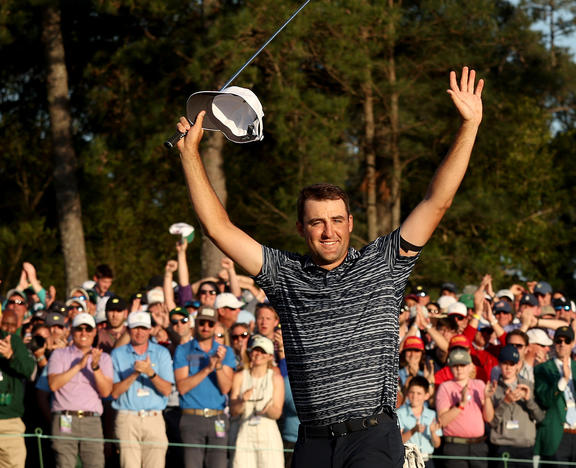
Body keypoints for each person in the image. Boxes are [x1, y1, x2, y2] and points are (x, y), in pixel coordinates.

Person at [176, 66, 484, 468]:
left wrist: (470, 125)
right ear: (301, 228)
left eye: (337, 220)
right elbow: (218, 227)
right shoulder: (283, 274)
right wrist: (190, 155)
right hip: (313, 443)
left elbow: (435, 201)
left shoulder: (383, 263)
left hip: (371, 438)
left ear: (350, 223)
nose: (328, 232)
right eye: (318, 222)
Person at [47, 313, 113, 468]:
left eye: (88, 329)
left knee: (95, 464)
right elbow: (53, 385)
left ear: (95, 332)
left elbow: (106, 392)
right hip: (65, 419)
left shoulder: (104, 358)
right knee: (64, 464)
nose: (84, 333)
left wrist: (95, 368)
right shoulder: (59, 354)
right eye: (79, 329)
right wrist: (78, 366)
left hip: (92, 420)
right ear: (71, 331)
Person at [173, 307, 236, 468]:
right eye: (202, 323)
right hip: (192, 417)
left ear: (215, 326)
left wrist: (219, 365)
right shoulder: (183, 350)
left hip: (218, 418)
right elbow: (182, 387)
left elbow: (225, 389)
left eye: (210, 323)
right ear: (196, 323)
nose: (206, 327)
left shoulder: (226, 351)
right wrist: (207, 368)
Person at [110, 311, 174, 468]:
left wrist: (150, 372)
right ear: (128, 329)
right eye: (135, 328)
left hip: (154, 418)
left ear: (150, 330)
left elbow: (167, 390)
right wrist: (135, 374)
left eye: (143, 328)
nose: (139, 332)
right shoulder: (117, 354)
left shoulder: (161, 353)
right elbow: (114, 392)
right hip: (127, 418)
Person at [534, 326, 576, 465]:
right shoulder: (542, 369)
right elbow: (545, 400)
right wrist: (563, 380)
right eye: (559, 340)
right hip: (557, 434)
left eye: (567, 340)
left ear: (573, 343)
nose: (562, 344)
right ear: (554, 342)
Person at [484, 344, 544, 467]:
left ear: (518, 365)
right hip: (502, 446)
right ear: (499, 365)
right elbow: (492, 423)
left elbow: (540, 418)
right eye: (505, 363)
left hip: (525, 447)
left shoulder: (529, 386)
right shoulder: (492, 389)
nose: (508, 368)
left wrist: (528, 400)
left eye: (512, 364)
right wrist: (505, 402)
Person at [230, 335, 285, 468]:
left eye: (263, 351)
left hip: (268, 431)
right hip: (244, 431)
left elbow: (277, 413)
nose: (258, 354)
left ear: (270, 356)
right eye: (256, 350)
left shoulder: (276, 378)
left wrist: (269, 409)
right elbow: (233, 411)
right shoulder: (239, 376)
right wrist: (242, 401)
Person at [436, 348, 490, 468]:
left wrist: (487, 398)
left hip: (479, 446)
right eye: (455, 365)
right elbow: (442, 421)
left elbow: (489, 418)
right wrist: (461, 404)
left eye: (463, 365)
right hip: (455, 447)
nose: (459, 369)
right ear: (450, 367)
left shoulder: (479, 385)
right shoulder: (445, 387)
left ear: (470, 366)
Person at [0, 312, 35, 467]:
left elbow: (29, 369)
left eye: (13, 325)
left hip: (9, 423)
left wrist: (11, 356)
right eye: (5, 324)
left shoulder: (15, 341)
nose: (9, 329)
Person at [396, 376, 441, 468]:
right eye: (412, 392)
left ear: (427, 396)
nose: (415, 396)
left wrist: (433, 432)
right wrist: (413, 430)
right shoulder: (400, 413)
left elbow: (437, 444)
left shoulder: (432, 414)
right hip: (408, 461)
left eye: (419, 393)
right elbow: (398, 442)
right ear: (408, 393)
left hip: (427, 461)